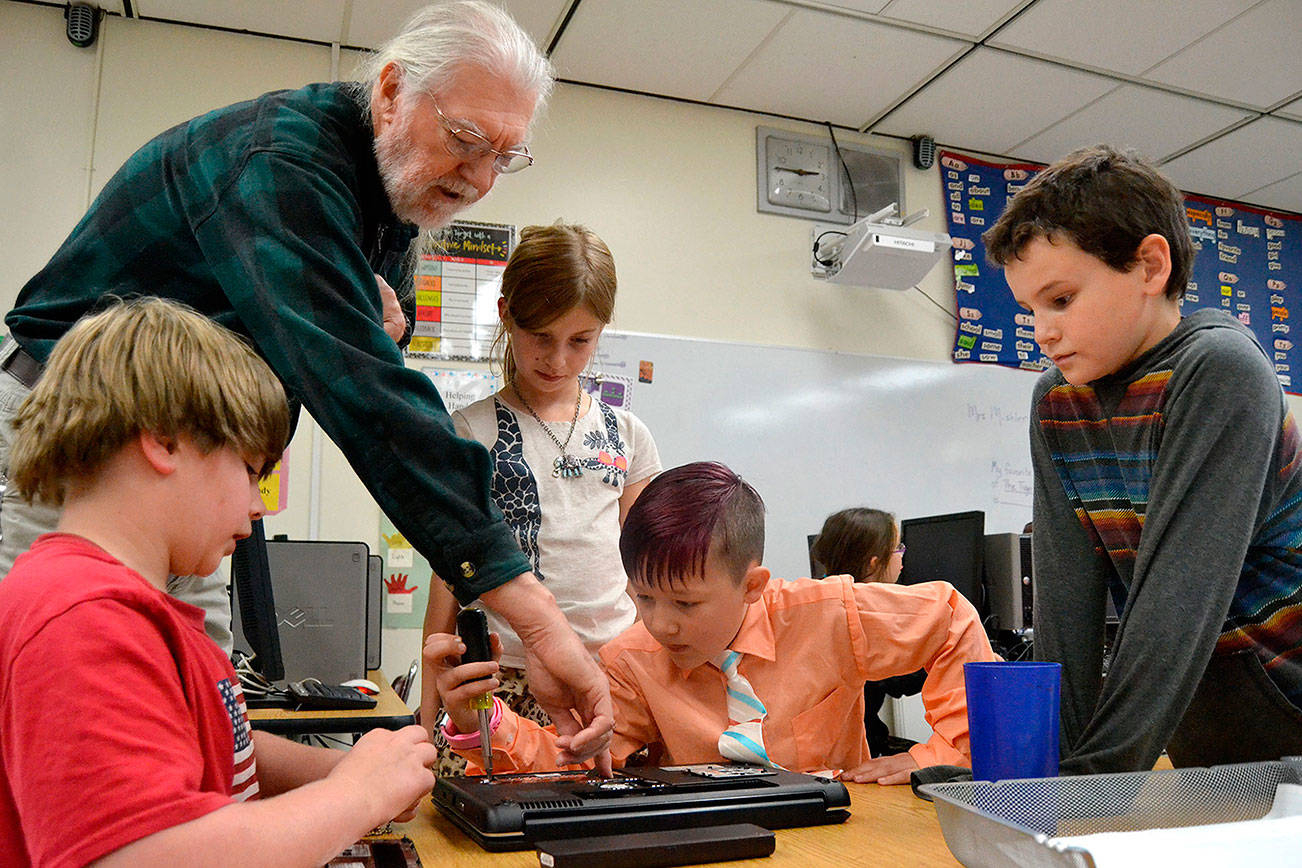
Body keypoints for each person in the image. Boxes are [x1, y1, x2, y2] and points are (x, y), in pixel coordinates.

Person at [0, 1, 612, 765]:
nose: (481, 178)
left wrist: (362, 784)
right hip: (73, 450)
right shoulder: (283, 160)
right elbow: (364, 390)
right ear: (391, 92)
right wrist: (542, 621)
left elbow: (370, 362)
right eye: (465, 141)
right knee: (64, 722)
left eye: (505, 157)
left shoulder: (391, 210)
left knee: (200, 706)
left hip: (187, 474)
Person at [0, 298, 438, 866]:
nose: (259, 506)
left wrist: (340, 769)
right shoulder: (82, 620)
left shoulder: (133, 612)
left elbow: (215, 746)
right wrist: (354, 795)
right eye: (251, 471)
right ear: (162, 440)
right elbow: (142, 854)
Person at [982, 144, 1302, 774]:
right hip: (1201, 726)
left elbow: (1175, 601)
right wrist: (1047, 775)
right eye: (1031, 311)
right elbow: (1065, 608)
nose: (1042, 331)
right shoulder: (1057, 402)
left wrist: (1087, 783)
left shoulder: (1217, 370)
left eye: (1062, 299)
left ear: (1150, 265)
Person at [427, 461, 999, 785]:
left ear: (752, 586)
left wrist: (940, 752)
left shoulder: (827, 613)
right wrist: (484, 718)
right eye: (644, 598)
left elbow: (948, 617)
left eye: (686, 604)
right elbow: (577, 761)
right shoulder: (631, 661)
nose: (661, 625)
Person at [421, 223, 660, 773]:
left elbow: (648, 578)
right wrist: (426, 726)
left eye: (580, 341)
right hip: (499, 681)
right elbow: (446, 585)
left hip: (611, 676)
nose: (558, 359)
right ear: (506, 314)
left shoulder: (627, 434)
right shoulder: (468, 431)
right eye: (540, 337)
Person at [810, 507, 925, 758]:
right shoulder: (869, 615)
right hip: (858, 753)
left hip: (818, 751)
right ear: (874, 563)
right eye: (898, 548)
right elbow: (902, 680)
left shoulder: (817, 602)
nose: (902, 555)